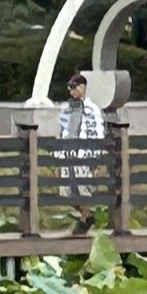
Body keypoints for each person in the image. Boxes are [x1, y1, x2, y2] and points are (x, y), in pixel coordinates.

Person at [55, 72, 106, 224]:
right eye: (69, 88)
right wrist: (58, 155)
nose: (71, 92)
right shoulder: (66, 108)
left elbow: (96, 132)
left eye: (74, 88)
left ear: (82, 88)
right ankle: (87, 216)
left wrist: (95, 156)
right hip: (67, 154)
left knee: (83, 188)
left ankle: (87, 217)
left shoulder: (92, 109)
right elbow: (62, 132)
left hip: (83, 154)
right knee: (65, 191)